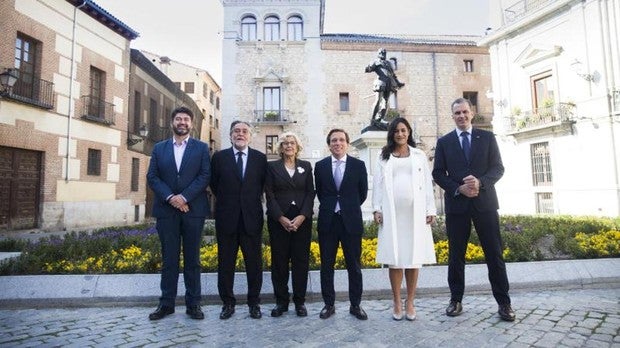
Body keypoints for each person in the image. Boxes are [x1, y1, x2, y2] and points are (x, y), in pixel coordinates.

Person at [432, 98, 515, 322]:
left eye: (465, 112)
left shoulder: (487, 138)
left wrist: (480, 183)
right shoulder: (444, 142)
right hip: (457, 207)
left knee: (494, 254)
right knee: (456, 255)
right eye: (457, 113)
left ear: (472, 113)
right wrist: (458, 188)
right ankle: (455, 300)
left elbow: (498, 168)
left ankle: (504, 303)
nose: (461, 116)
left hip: (485, 204)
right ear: (453, 116)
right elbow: (438, 173)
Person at [146, 106, 211, 321]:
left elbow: (204, 177)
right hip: (166, 211)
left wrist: (183, 198)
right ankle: (166, 304)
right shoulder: (159, 148)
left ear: (191, 124)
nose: (182, 122)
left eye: (186, 119)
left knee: (193, 260)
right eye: (178, 119)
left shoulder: (201, 148)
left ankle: (194, 305)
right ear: (172, 122)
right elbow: (153, 177)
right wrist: (171, 198)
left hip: (193, 211)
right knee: (169, 259)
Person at [372, 117, 437, 321]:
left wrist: (430, 209)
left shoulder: (418, 155)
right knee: (395, 258)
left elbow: (427, 183)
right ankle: (396, 301)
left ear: (408, 132)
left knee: (413, 256)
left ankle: (410, 301)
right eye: (396, 131)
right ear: (391, 134)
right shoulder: (384, 157)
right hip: (392, 215)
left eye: (403, 130)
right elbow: (378, 185)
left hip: (415, 215)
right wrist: (376, 208)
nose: (400, 134)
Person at [210, 120, 267, 320]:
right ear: (230, 135)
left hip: (252, 219)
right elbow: (214, 185)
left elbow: (261, 187)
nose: (240, 134)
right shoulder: (219, 158)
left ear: (249, 136)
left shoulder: (260, 159)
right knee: (225, 264)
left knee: (254, 265)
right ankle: (227, 303)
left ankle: (254, 303)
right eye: (236, 131)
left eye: (244, 131)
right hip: (227, 219)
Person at [314, 128, 369, 320]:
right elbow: (321, 193)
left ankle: (356, 305)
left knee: (354, 265)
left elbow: (362, 194)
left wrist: (347, 207)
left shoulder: (358, 165)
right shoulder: (320, 166)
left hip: (351, 222)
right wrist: (334, 207)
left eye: (341, 140)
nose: (337, 143)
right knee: (326, 266)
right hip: (328, 222)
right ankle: (329, 305)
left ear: (347, 143)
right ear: (329, 144)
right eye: (333, 140)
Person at [264, 132, 315, 318]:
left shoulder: (306, 166)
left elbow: (311, 193)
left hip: (302, 220)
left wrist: (303, 216)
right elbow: (269, 194)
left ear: (297, 146)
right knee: (280, 262)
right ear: (281, 147)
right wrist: (280, 218)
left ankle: (300, 302)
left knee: (301, 261)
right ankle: (281, 302)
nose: (289, 146)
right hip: (279, 221)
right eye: (285, 143)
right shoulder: (271, 167)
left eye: (292, 143)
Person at [365, 48, 405, 127]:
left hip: (388, 84)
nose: (383, 54)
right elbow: (368, 69)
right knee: (377, 101)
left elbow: (392, 75)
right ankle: (372, 120)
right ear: (378, 53)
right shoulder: (376, 62)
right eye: (381, 52)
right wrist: (369, 67)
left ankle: (380, 119)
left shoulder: (388, 63)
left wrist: (398, 83)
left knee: (385, 103)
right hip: (380, 82)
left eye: (384, 52)